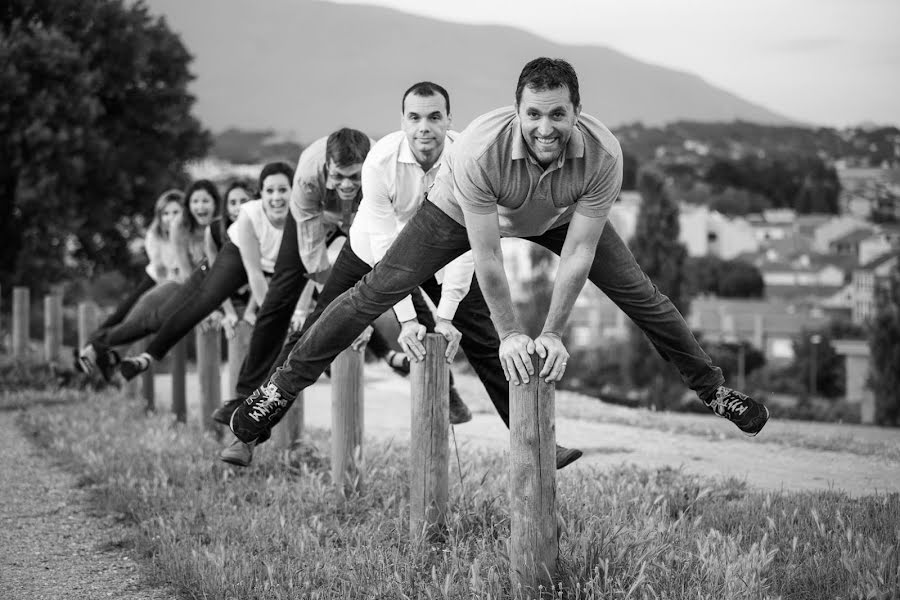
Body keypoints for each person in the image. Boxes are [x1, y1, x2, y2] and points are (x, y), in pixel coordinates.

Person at [229, 57, 769, 453]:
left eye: (558, 114)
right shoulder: (478, 150)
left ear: (577, 112)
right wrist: (512, 332)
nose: (545, 127)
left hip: (557, 217)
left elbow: (578, 255)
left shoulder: (604, 155)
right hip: (459, 212)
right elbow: (487, 256)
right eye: (533, 113)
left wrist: (551, 332)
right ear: (516, 111)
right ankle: (276, 391)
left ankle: (715, 391)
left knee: (644, 296)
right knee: (375, 291)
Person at [220, 82, 572, 468]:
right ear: (402, 121)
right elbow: (389, 254)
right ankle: (249, 430)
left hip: (444, 252)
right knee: (319, 331)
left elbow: (473, 242)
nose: (425, 127)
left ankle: (537, 441)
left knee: (488, 340)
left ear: (449, 121)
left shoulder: (469, 157)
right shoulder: (380, 161)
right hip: (373, 251)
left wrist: (445, 316)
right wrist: (407, 321)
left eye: (435, 117)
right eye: (415, 117)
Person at [211, 129, 466, 426]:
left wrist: (397, 309)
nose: (346, 184)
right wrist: (336, 309)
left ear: (367, 171)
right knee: (281, 302)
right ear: (327, 170)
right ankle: (249, 397)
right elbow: (312, 254)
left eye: (353, 177)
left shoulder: (382, 171)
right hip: (316, 217)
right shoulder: (308, 177)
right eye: (338, 177)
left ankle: (447, 390)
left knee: (402, 282)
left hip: (367, 219)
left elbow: (390, 255)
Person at [118, 163, 293, 378]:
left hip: (254, 292)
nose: (238, 207)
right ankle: (144, 356)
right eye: (233, 202)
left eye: (243, 201)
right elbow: (221, 281)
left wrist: (252, 311)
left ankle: (256, 380)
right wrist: (226, 312)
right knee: (192, 310)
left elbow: (260, 274)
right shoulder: (219, 232)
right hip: (222, 288)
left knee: (254, 324)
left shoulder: (272, 221)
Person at [76, 183, 218, 378]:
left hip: (190, 287)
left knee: (154, 318)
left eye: (205, 201)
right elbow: (178, 272)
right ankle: (101, 350)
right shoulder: (174, 230)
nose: (172, 218)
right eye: (195, 201)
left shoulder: (215, 230)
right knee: (136, 311)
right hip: (171, 282)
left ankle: (107, 352)